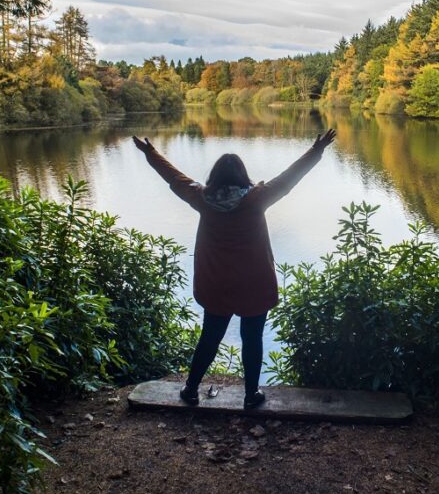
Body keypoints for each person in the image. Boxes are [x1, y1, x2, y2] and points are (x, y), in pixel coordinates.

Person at [133, 128, 336, 409]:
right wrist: (317, 150)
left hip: (217, 285)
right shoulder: (257, 198)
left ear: (214, 177)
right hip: (254, 285)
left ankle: (191, 389)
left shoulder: (201, 198)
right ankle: (251, 395)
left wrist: (151, 153)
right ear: (243, 175)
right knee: (252, 339)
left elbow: (173, 176)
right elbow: (290, 178)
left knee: (209, 338)